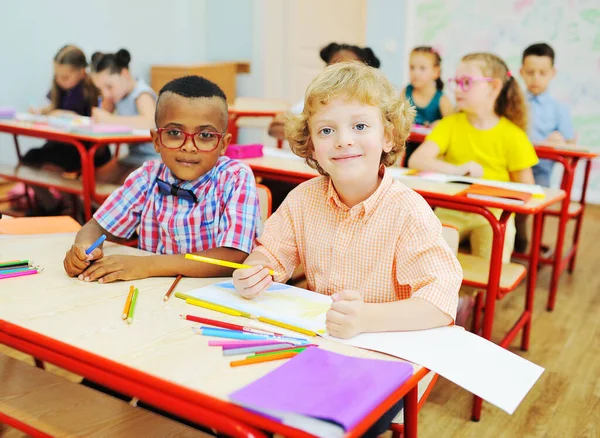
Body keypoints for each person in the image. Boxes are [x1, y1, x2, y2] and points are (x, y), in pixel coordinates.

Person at [232, 61, 461, 438]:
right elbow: (272, 254)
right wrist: (255, 270)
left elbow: (438, 304)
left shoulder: (408, 211)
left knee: (322, 430)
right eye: (327, 130)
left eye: (359, 126)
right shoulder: (304, 198)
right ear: (311, 145)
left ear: (388, 136)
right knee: (240, 407)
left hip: (386, 357)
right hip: (317, 345)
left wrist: (367, 319)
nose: (343, 140)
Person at [63, 75, 259, 283]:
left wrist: (147, 265)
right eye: (175, 132)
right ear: (156, 140)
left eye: (206, 136)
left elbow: (233, 257)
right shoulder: (147, 177)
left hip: (214, 297)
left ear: (223, 144)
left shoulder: (235, 178)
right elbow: (97, 226)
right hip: (153, 293)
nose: (189, 146)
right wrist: (83, 250)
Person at [409, 52, 538, 263]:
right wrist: (458, 170)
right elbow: (417, 160)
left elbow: (527, 189)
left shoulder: (513, 136)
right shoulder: (450, 124)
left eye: (467, 82)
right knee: (429, 262)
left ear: (494, 87)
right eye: (456, 82)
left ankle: (472, 296)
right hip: (451, 209)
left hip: (493, 217)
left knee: (489, 271)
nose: (458, 89)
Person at [90, 48, 159, 183]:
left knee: (126, 184)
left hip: (152, 157)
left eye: (109, 87)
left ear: (125, 74)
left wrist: (110, 119)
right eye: (101, 89)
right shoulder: (118, 95)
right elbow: (102, 116)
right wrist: (105, 107)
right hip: (133, 156)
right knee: (95, 179)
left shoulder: (141, 93)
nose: (106, 93)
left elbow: (149, 122)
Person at [402, 46, 454, 165]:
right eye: (412, 68)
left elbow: (452, 125)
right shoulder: (406, 92)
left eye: (422, 68)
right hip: (408, 145)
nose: (415, 73)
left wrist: (440, 124)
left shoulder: (441, 99)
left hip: (430, 150)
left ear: (436, 72)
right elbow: (397, 114)